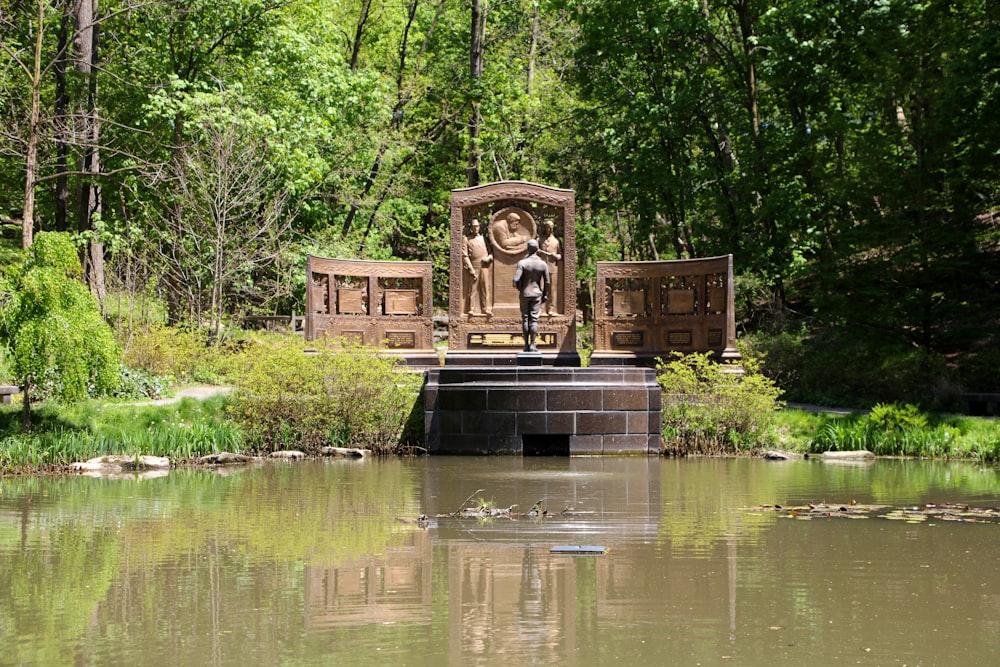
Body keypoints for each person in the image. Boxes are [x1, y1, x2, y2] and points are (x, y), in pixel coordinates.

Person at [512, 239, 550, 352]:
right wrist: (545, 294)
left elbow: (515, 279)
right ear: (537, 249)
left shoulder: (522, 263)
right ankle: (533, 345)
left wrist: (519, 287)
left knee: (525, 318)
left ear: (528, 249)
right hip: (537, 293)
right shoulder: (543, 264)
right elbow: (547, 282)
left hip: (525, 292)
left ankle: (526, 345)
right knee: (534, 320)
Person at [461, 219, 493, 315]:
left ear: (480, 227)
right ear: (471, 227)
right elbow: (465, 255)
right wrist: (470, 268)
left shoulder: (484, 239)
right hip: (474, 265)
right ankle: (471, 309)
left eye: (477, 226)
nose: (476, 228)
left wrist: (488, 258)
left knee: (485, 288)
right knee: (473, 289)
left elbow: (491, 253)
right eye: (474, 226)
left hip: (484, 266)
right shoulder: (467, 239)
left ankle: (486, 308)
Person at [537, 219, 561, 315]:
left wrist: (556, 256)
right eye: (547, 228)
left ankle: (551, 309)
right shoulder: (539, 240)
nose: (548, 230)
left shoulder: (556, 241)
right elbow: (534, 250)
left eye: (550, 228)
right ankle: (541, 309)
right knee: (541, 288)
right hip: (541, 267)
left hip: (552, 267)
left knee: (552, 288)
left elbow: (560, 255)